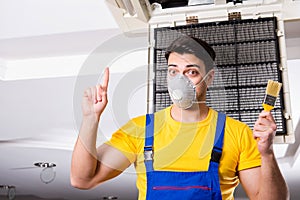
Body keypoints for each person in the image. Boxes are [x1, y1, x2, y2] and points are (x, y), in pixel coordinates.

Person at [70, 35, 289, 200]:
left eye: (191, 72)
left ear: (209, 78)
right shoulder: (140, 130)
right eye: (173, 71)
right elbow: (82, 179)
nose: (180, 80)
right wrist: (90, 118)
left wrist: (267, 154)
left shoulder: (237, 133)